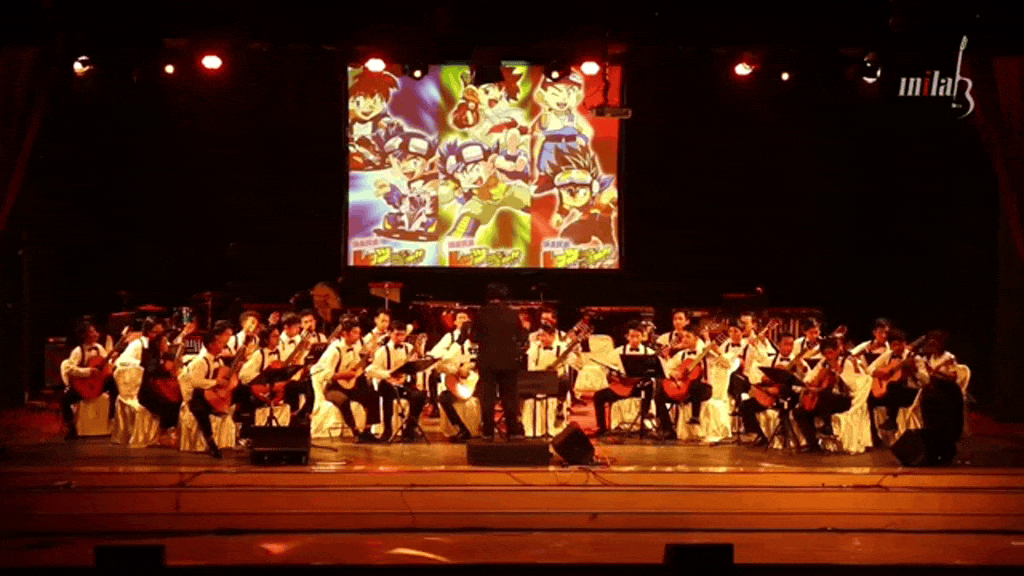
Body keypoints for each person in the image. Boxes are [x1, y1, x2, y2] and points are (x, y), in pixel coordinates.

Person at [315, 317, 385, 443]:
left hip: (350, 385)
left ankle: (368, 431)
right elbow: (325, 374)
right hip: (333, 387)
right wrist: (343, 375)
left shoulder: (355, 347)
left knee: (373, 395)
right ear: (345, 334)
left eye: (358, 333)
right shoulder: (334, 350)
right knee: (344, 400)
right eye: (354, 333)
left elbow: (356, 368)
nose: (358, 337)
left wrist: (365, 363)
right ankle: (356, 432)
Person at [475, 282, 526, 440]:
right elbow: (521, 337)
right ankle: (513, 431)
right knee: (510, 397)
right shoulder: (512, 313)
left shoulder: (481, 313)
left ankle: (488, 432)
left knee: (487, 397)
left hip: (487, 361)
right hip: (509, 361)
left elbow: (474, 337)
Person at [592, 321, 656, 437]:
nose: (635, 340)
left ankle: (644, 423)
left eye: (638, 336)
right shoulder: (618, 352)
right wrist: (612, 374)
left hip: (639, 387)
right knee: (598, 396)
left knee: (649, 386)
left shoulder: (650, 353)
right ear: (627, 337)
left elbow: (655, 372)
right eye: (632, 336)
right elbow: (606, 368)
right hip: (622, 386)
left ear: (642, 337)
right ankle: (602, 428)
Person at [365, 320, 426, 442]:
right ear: (390, 334)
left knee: (420, 395)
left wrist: (405, 378)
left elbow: (412, 369)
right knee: (387, 391)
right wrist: (388, 375)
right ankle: (388, 429)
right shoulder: (383, 351)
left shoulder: (409, 348)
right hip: (387, 384)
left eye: (402, 335)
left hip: (403, 384)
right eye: (397, 334)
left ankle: (410, 429)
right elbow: (371, 370)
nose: (400, 338)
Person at [794, 337, 855, 452]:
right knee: (799, 412)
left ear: (837, 351)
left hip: (842, 399)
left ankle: (827, 426)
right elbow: (810, 377)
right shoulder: (823, 363)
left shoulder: (846, 363)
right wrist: (811, 382)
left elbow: (852, 384)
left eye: (830, 352)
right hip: (823, 402)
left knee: (825, 395)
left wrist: (839, 373)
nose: (828, 356)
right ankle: (813, 444)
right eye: (825, 353)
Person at [866, 329, 919, 444]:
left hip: (911, 392)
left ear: (904, 344)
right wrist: (880, 373)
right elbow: (870, 370)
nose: (897, 347)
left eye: (899, 344)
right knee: (869, 398)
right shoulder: (888, 355)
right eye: (894, 345)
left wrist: (913, 371)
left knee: (893, 386)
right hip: (891, 393)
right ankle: (874, 435)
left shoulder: (913, 357)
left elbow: (924, 378)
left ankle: (892, 420)